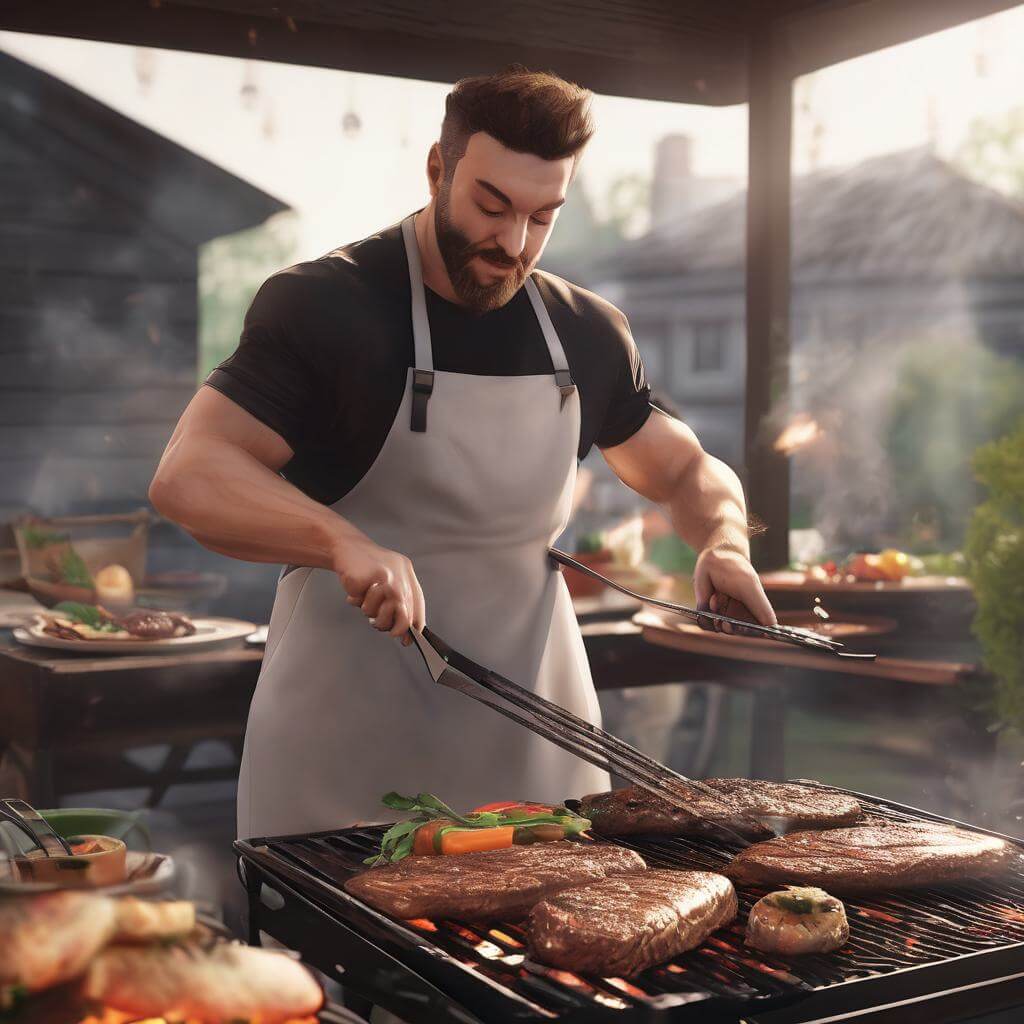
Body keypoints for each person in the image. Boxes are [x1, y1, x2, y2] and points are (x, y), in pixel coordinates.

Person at [149, 65, 777, 841]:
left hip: (536, 743)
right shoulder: (325, 305)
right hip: (343, 748)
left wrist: (721, 541)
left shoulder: (586, 332)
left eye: (543, 218)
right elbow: (190, 474)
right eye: (492, 206)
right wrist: (340, 541)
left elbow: (684, 470)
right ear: (438, 169)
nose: (514, 244)